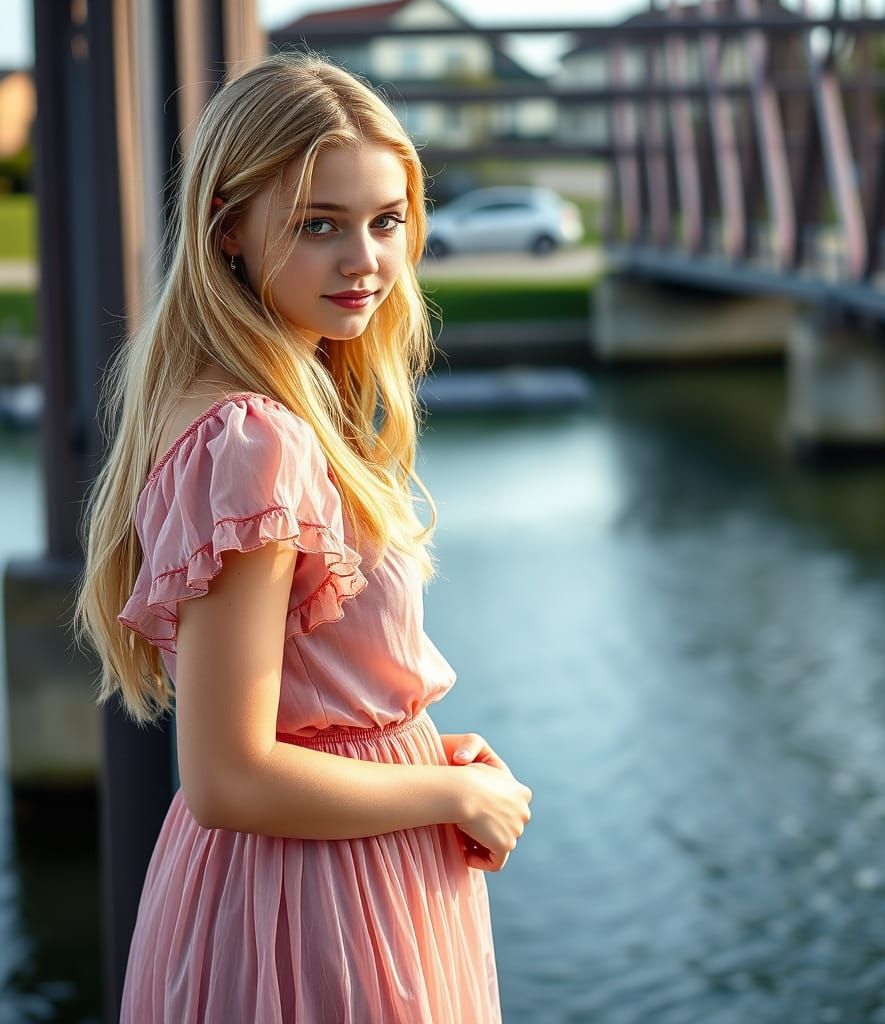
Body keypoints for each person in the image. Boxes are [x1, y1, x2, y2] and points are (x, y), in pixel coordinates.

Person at [72, 52, 532, 1023]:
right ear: (228, 228)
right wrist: (447, 800)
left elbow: (299, 709)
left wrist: (420, 752)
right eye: (318, 225)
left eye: (385, 220)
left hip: (313, 874)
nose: (364, 259)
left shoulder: (243, 404)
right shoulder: (255, 438)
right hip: (317, 906)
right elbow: (230, 775)